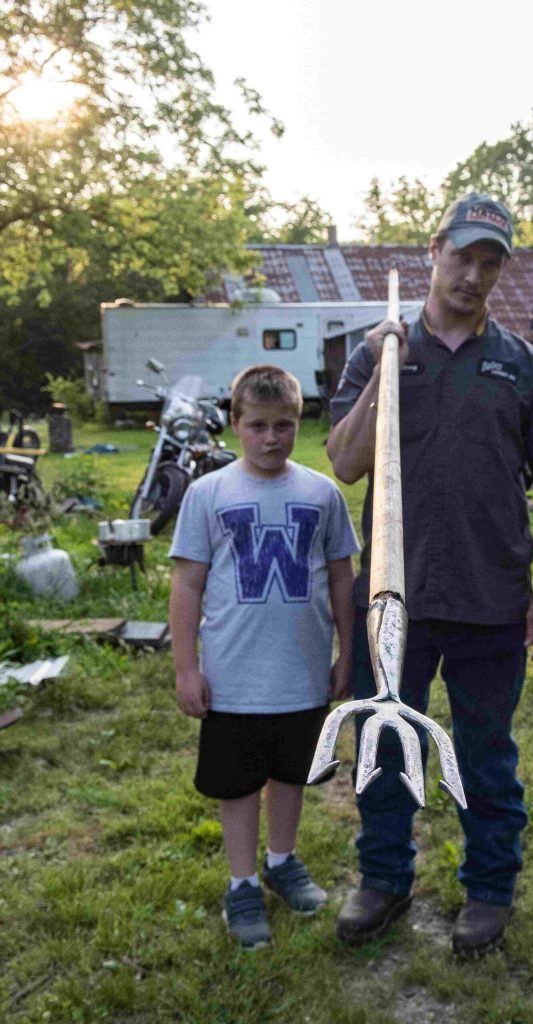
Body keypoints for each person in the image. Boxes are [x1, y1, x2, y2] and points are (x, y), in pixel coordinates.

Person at [326, 193, 533, 958]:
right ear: (433, 251)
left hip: (489, 596)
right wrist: (386, 370)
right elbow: (342, 463)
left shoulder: (522, 364)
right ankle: (383, 879)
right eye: (462, 255)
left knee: (484, 753)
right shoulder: (379, 352)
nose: (473, 274)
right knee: (385, 743)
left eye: (489, 261)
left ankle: (489, 890)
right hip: (392, 596)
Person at [168, 364, 359, 951]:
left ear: (300, 425)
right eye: (257, 426)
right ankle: (243, 882)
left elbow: (341, 578)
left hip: (301, 675)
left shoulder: (321, 493)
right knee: (239, 783)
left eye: (284, 425)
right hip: (232, 677)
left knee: (291, 774)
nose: (271, 438)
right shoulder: (209, 494)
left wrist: (347, 653)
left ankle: (281, 862)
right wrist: (186, 668)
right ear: (235, 424)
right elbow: (187, 586)